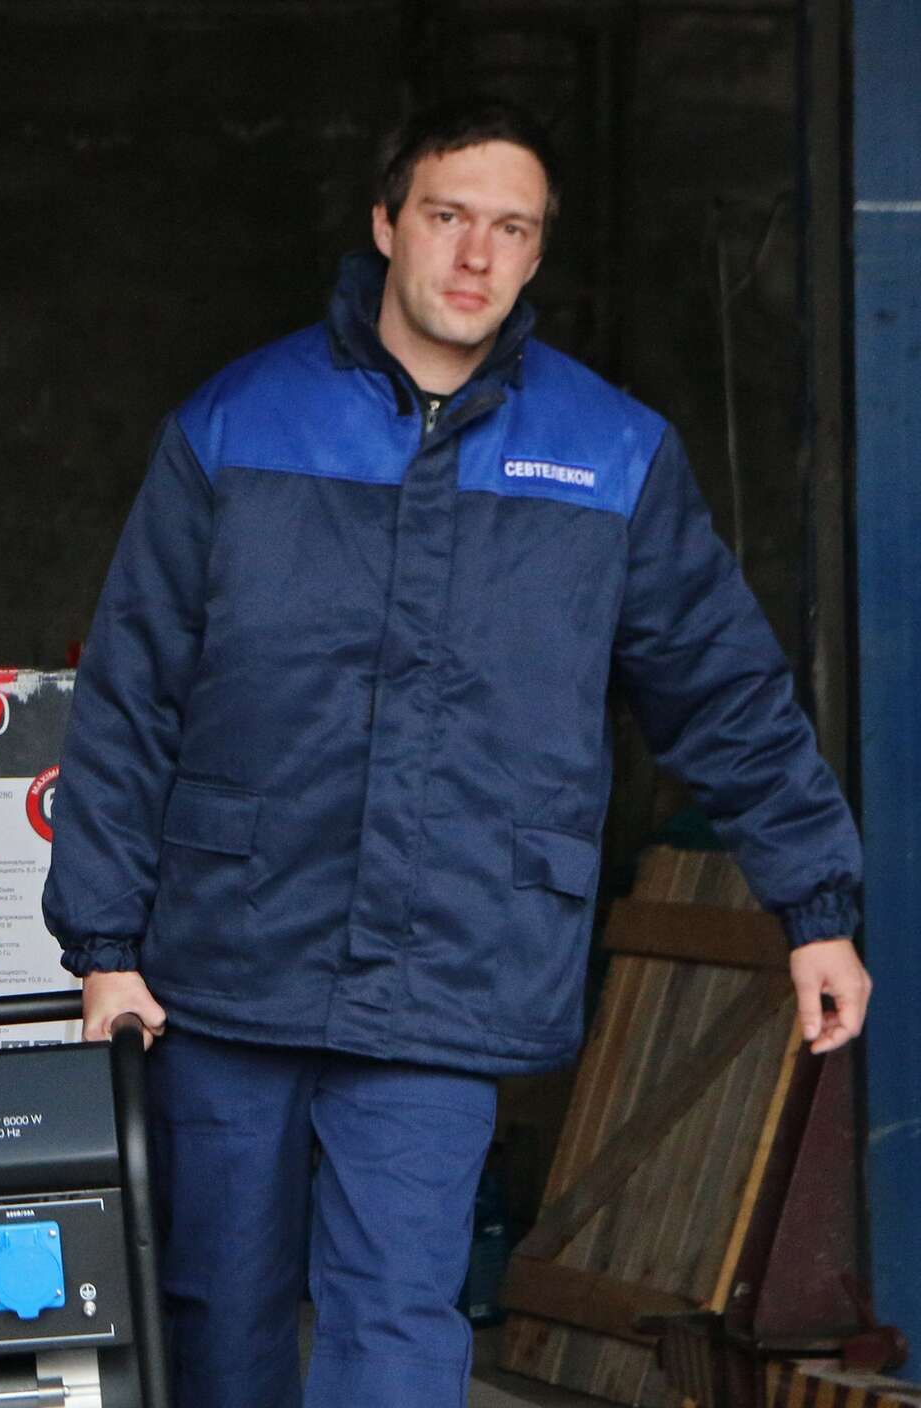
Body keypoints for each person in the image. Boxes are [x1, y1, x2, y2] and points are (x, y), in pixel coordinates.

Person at [44, 96, 868, 1408]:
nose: (477, 255)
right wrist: (105, 943)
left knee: (399, 1320)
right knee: (214, 1316)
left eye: (512, 229)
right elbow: (130, 693)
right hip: (230, 955)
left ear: (538, 252)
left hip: (446, 962)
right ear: (387, 225)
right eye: (448, 216)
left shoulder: (611, 457)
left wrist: (813, 906)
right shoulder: (236, 425)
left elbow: (725, 692)